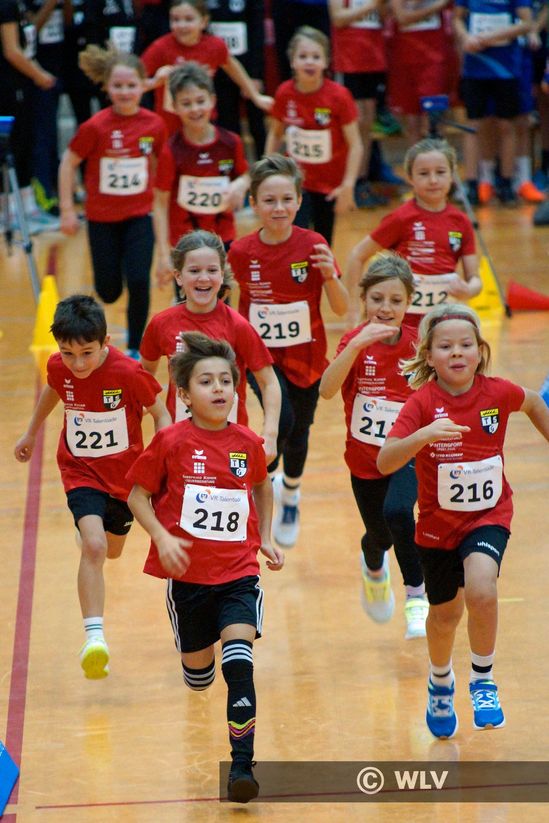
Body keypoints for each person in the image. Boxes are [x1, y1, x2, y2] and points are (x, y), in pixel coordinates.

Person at [377, 303, 549, 737]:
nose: (457, 352)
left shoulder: (497, 393)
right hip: (438, 527)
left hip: (489, 515)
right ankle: (440, 681)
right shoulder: (421, 403)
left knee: (482, 589)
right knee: (444, 616)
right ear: (429, 356)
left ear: (480, 351)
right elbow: (385, 460)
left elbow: (533, 402)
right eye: (446, 346)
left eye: (466, 344)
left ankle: (483, 680)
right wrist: (422, 436)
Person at [126, 331, 284, 804]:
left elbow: (261, 486)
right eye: (206, 381)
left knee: (240, 664)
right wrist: (161, 536)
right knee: (199, 678)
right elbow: (137, 496)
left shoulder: (247, 442)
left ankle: (241, 767)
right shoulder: (170, 441)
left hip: (238, 574)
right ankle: (198, 663)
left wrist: (266, 537)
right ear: (184, 394)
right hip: (189, 582)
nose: (218, 389)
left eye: (225, 381)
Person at [14, 295, 170, 679]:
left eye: (87, 353)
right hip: (80, 470)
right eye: (68, 354)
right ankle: (94, 638)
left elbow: (160, 412)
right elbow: (54, 388)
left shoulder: (129, 373)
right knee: (96, 546)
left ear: (105, 343)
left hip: (125, 479)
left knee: (111, 550)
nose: (78, 364)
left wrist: (162, 460)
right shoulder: (59, 367)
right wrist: (31, 432)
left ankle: (91, 533)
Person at [228, 154, 349, 548]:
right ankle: (262, 484)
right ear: (254, 203)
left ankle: (291, 492)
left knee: (300, 431)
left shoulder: (313, 244)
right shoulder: (241, 252)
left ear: (298, 201)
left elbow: (341, 307)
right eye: (269, 200)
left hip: (308, 357)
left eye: (286, 199)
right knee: (282, 420)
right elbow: (224, 302)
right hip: (260, 358)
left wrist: (330, 276)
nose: (278, 208)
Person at [320, 253, 428, 638]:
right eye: (377, 299)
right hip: (364, 461)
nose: (386, 308)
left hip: (408, 454)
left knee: (399, 511)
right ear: (364, 299)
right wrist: (353, 347)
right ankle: (373, 566)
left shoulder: (419, 345)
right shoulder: (353, 343)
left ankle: (416, 598)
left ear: (408, 302)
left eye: (396, 300)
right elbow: (326, 390)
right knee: (381, 535)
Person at [58, 46, 167, 357]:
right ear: (106, 87)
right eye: (118, 85)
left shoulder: (154, 124)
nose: (125, 91)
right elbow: (68, 162)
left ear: (143, 85)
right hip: (102, 219)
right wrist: (67, 209)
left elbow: (161, 168)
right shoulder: (95, 126)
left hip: (139, 216)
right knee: (108, 290)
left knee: (139, 280)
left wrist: (164, 207)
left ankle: (135, 348)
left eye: (131, 85)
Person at [139, 229, 281, 464]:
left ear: (222, 274)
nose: (204, 278)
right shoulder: (161, 324)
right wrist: (153, 413)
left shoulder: (238, 325)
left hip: (231, 445)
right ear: (178, 276)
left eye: (212, 270)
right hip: (179, 443)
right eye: (194, 271)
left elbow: (269, 382)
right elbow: (144, 376)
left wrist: (271, 433)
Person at [346, 138, 482, 328]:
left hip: (441, 322)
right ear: (410, 178)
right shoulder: (401, 218)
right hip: (401, 324)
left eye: (440, 172)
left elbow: (474, 278)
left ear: (452, 175)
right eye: (424, 173)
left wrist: (469, 290)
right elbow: (357, 255)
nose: (433, 180)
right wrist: (352, 307)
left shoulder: (461, 222)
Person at [152, 61, 249, 290]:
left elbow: (247, 174)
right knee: (188, 304)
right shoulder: (171, 150)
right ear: (175, 106)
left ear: (212, 100)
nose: (195, 109)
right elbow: (160, 203)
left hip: (222, 239)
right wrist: (163, 255)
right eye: (186, 103)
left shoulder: (231, 142)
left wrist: (242, 184)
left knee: (221, 301)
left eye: (200, 101)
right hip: (184, 243)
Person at [264, 25, 362, 246]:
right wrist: (266, 169)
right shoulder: (284, 93)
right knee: (294, 240)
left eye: (316, 57)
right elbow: (275, 134)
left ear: (326, 61)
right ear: (292, 61)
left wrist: (348, 185)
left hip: (329, 186)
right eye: (303, 56)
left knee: (321, 243)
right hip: (296, 183)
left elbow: (356, 144)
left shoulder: (339, 96)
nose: (309, 62)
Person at [141, 0, 273, 136]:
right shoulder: (160, 47)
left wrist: (256, 97)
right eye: (175, 19)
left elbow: (232, 66)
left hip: (204, 121)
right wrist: (155, 82)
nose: (181, 25)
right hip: (170, 126)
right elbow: (135, 81)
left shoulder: (214, 45)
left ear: (204, 22)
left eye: (188, 19)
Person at [453, 0, 532, 206]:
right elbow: (457, 19)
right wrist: (466, 37)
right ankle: (472, 184)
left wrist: (492, 37)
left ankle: (506, 184)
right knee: (473, 126)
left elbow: (526, 23)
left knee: (507, 125)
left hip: (506, 69)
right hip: (474, 69)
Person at [0, 0, 58, 232]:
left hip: (23, 85)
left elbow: (28, 41)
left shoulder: (19, 4)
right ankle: (8, 212)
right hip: (8, 87)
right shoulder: (5, 5)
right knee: (10, 146)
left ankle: (28, 207)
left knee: (26, 144)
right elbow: (12, 51)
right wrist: (38, 75)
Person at [207, 0, 267, 160]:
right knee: (228, 126)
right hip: (219, 73)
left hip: (248, 69)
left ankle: (265, 168)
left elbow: (257, 33)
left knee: (257, 125)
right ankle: (235, 169)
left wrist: (255, 75)